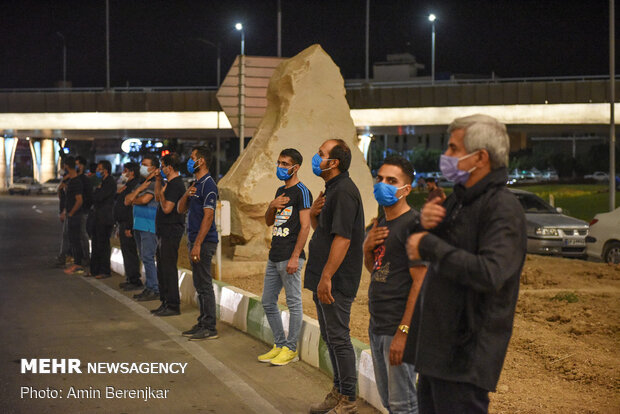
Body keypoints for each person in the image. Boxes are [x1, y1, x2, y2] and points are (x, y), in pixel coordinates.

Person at [404, 114, 527, 413]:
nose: (445, 157)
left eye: (453, 149)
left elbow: (491, 273)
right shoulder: (460, 200)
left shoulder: (502, 208)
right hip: (438, 352)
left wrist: (429, 244)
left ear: (480, 157)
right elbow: (422, 242)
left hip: (465, 356)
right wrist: (422, 225)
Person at [305, 139, 364, 414]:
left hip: (336, 280)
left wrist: (327, 276)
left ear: (334, 162)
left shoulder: (344, 192)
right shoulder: (332, 190)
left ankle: (348, 401)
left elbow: (343, 239)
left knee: (339, 338)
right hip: (323, 276)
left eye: (321, 154)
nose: (316, 158)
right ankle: (338, 391)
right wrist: (315, 215)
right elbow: (325, 231)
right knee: (330, 337)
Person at [364, 156, 426, 414]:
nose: (383, 185)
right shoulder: (382, 223)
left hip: (397, 327)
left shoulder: (414, 225)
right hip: (378, 325)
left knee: (404, 406)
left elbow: (421, 282)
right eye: (379, 178)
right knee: (390, 403)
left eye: (392, 181)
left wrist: (403, 332)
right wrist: (367, 248)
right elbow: (377, 269)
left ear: (406, 189)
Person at [257, 148, 313, 366]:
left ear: (295, 167)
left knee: (293, 303)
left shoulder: (302, 192)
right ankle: (279, 344)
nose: (280, 167)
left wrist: (295, 256)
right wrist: (271, 205)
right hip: (275, 254)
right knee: (268, 301)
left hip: (291, 256)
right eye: (279, 162)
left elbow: (306, 226)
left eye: (285, 164)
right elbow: (269, 221)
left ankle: (291, 349)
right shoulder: (280, 190)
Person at [177, 146, 219, 340]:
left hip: (203, 242)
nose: (189, 160)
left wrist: (198, 244)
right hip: (195, 239)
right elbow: (179, 209)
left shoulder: (209, 184)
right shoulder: (197, 184)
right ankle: (203, 321)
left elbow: (208, 217)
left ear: (201, 161)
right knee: (199, 284)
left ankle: (210, 327)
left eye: (192, 157)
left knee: (204, 285)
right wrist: (187, 193)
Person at [151, 153, 187, 317]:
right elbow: (158, 197)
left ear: (169, 167)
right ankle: (165, 301)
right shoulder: (168, 183)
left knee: (168, 268)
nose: (161, 169)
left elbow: (166, 208)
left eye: (162, 166)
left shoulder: (175, 185)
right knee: (162, 268)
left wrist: (163, 192)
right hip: (163, 230)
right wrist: (158, 181)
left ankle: (173, 304)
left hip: (171, 230)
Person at [125, 153, 160, 302]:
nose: (142, 167)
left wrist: (135, 198)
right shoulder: (143, 183)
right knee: (144, 257)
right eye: (142, 164)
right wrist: (138, 192)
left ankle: (155, 288)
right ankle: (149, 286)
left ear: (154, 168)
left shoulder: (155, 183)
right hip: (139, 224)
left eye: (146, 165)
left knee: (148, 257)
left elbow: (145, 200)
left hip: (149, 225)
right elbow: (127, 201)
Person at [114, 162, 144, 291]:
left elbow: (131, 208)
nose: (123, 173)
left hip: (128, 223)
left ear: (132, 172)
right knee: (126, 252)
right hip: (122, 223)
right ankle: (130, 277)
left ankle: (134, 279)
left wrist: (128, 227)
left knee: (130, 252)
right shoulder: (127, 185)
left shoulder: (135, 185)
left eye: (125, 170)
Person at [87, 160, 116, 279]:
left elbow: (99, 197)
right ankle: (94, 270)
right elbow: (91, 197)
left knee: (103, 244)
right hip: (97, 217)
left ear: (106, 170)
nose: (97, 171)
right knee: (95, 244)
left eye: (100, 169)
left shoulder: (109, 182)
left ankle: (104, 270)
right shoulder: (100, 181)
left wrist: (97, 189)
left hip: (105, 217)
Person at [61, 156, 85, 275]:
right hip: (72, 214)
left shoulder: (75, 182)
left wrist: (70, 213)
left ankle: (78, 264)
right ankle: (76, 263)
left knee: (75, 240)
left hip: (75, 216)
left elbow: (79, 200)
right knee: (73, 239)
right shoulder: (71, 180)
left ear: (66, 166)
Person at [75, 156, 93, 266]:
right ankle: (79, 257)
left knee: (83, 234)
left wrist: (85, 208)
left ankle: (86, 257)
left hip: (82, 211)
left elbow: (88, 197)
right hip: (77, 210)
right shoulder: (76, 178)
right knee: (76, 235)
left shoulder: (85, 180)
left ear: (81, 165)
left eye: (77, 164)